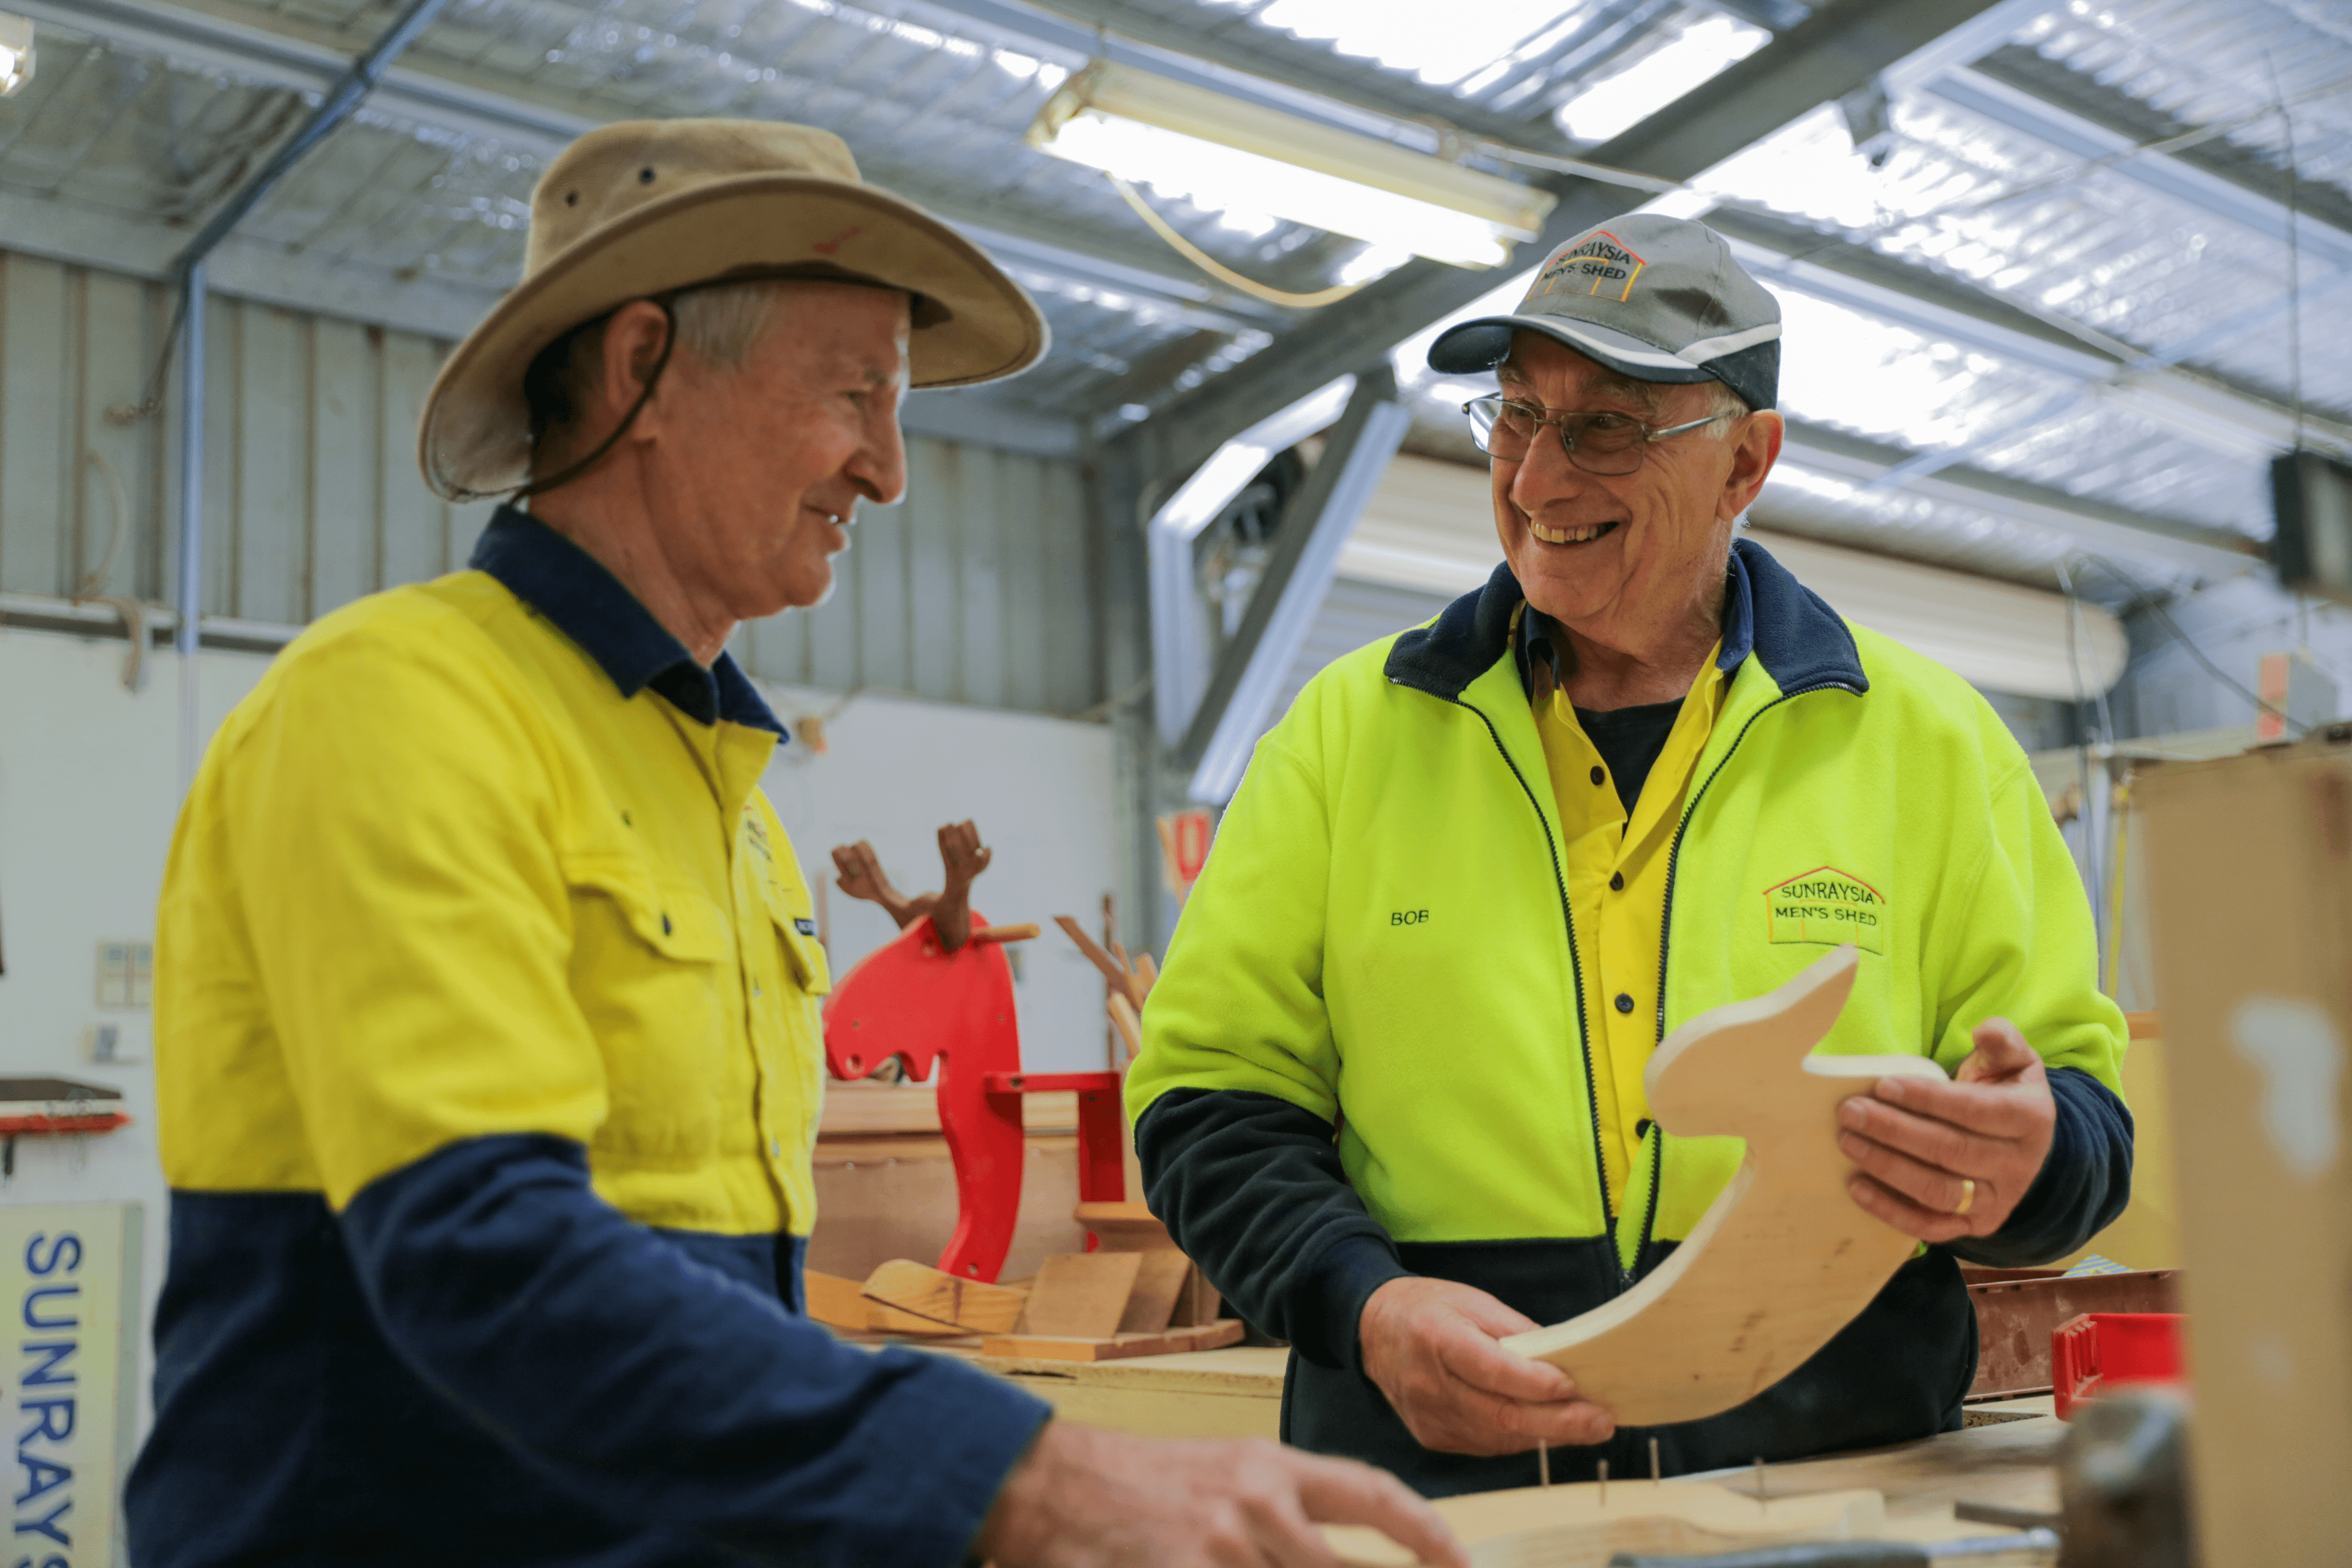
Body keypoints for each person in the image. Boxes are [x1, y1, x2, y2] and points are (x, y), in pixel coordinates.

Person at [127, 118, 1463, 1568]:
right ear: (643, 366)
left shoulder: (734, 803)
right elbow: (477, 1252)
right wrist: (1010, 1475)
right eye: (855, 395)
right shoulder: (402, 706)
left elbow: (712, 1309)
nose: (888, 471)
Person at [1126, 214, 2134, 1497]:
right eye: (1516, 416)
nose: (1538, 480)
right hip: (1435, 1501)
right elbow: (1205, 1102)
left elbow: (2082, 1124)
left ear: (1745, 460)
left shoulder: (1933, 748)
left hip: (1822, 1504)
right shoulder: (1344, 739)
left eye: (1608, 426)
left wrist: (2027, 1156)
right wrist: (1362, 1303)